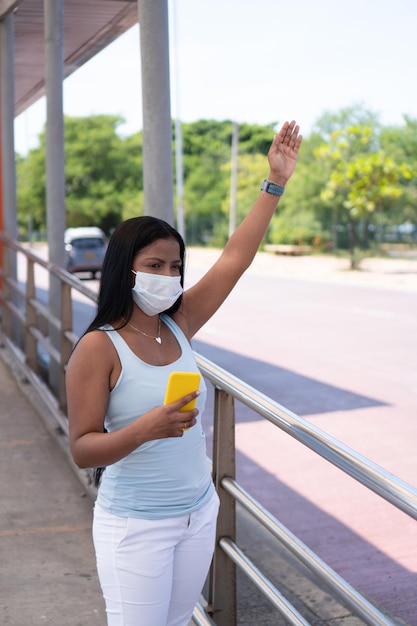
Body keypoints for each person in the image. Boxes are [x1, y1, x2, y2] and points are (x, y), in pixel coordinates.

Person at [65, 119, 302, 626]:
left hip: (197, 512)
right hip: (136, 525)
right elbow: (83, 446)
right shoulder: (97, 348)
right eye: (155, 265)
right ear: (125, 268)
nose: (168, 277)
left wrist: (274, 183)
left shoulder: (179, 323)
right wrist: (144, 429)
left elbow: (234, 261)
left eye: (175, 267)